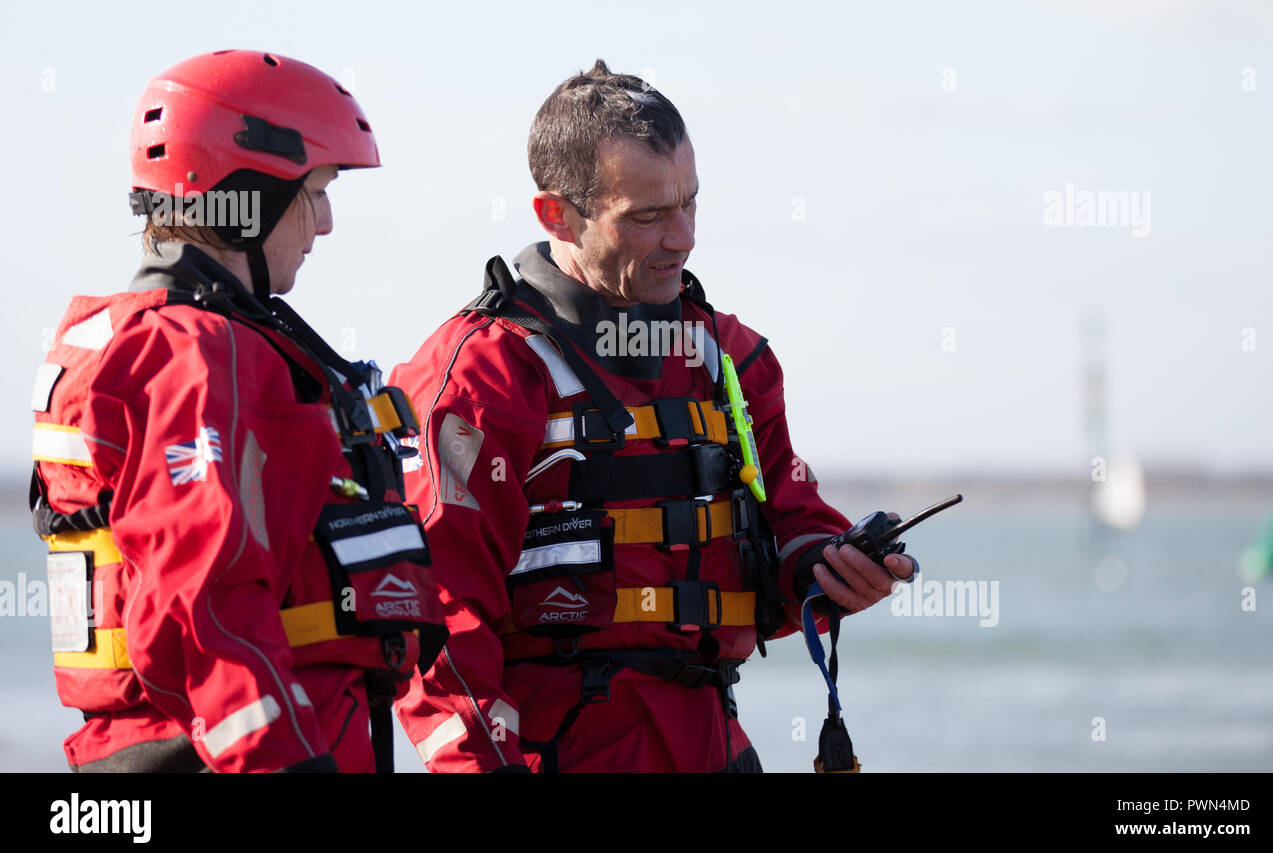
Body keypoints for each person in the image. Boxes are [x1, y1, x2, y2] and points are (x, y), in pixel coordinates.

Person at [390, 60, 916, 773]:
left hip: (716, 745)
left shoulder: (730, 357)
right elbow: (436, 622)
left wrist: (831, 570)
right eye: (647, 216)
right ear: (557, 214)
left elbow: (790, 522)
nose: (683, 237)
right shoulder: (486, 374)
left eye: (689, 204)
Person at [30, 50, 445, 773]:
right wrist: (278, 762)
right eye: (316, 191)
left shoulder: (152, 340)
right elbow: (201, 599)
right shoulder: (194, 355)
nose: (325, 224)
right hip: (235, 755)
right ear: (245, 196)